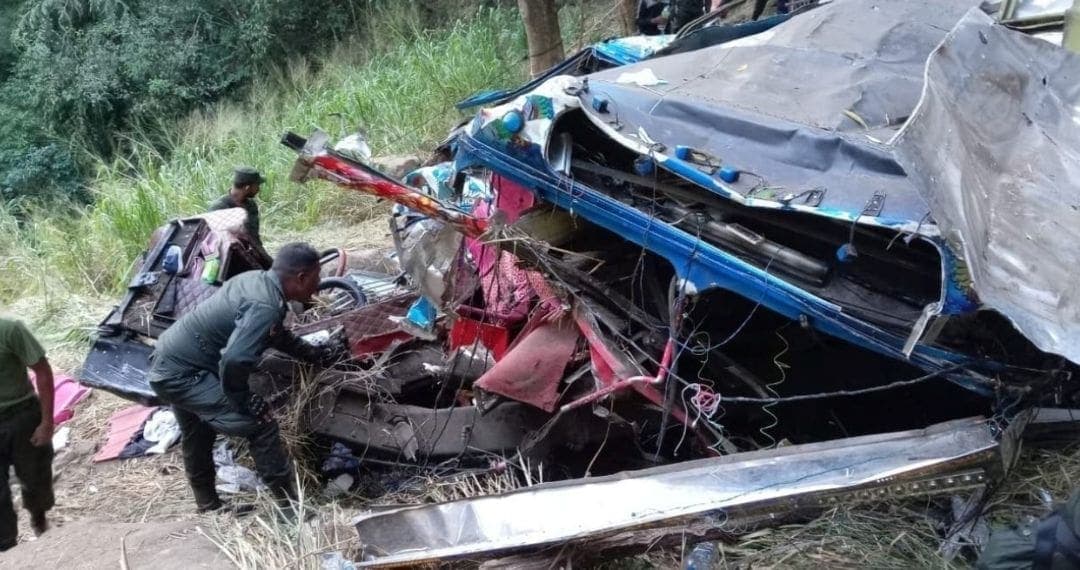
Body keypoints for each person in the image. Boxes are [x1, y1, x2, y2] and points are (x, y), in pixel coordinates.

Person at [148, 243, 338, 515]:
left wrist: (314, 354)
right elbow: (235, 359)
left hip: (170, 361)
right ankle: (289, 511)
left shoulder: (256, 281)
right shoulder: (266, 304)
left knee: (198, 432)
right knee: (260, 424)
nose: (317, 285)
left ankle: (208, 505)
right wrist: (243, 400)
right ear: (301, 277)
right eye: (317, 278)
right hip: (183, 374)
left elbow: (275, 335)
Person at [0, 318, 54, 550]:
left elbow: (42, 371)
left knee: (35, 478)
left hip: (21, 415)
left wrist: (47, 422)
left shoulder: (9, 329)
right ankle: (8, 548)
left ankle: (39, 519)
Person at [209, 166, 271, 264]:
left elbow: (255, 239)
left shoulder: (251, 205)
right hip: (227, 260)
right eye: (257, 185)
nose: (259, 189)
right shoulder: (219, 208)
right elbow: (213, 244)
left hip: (251, 254)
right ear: (247, 188)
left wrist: (267, 261)